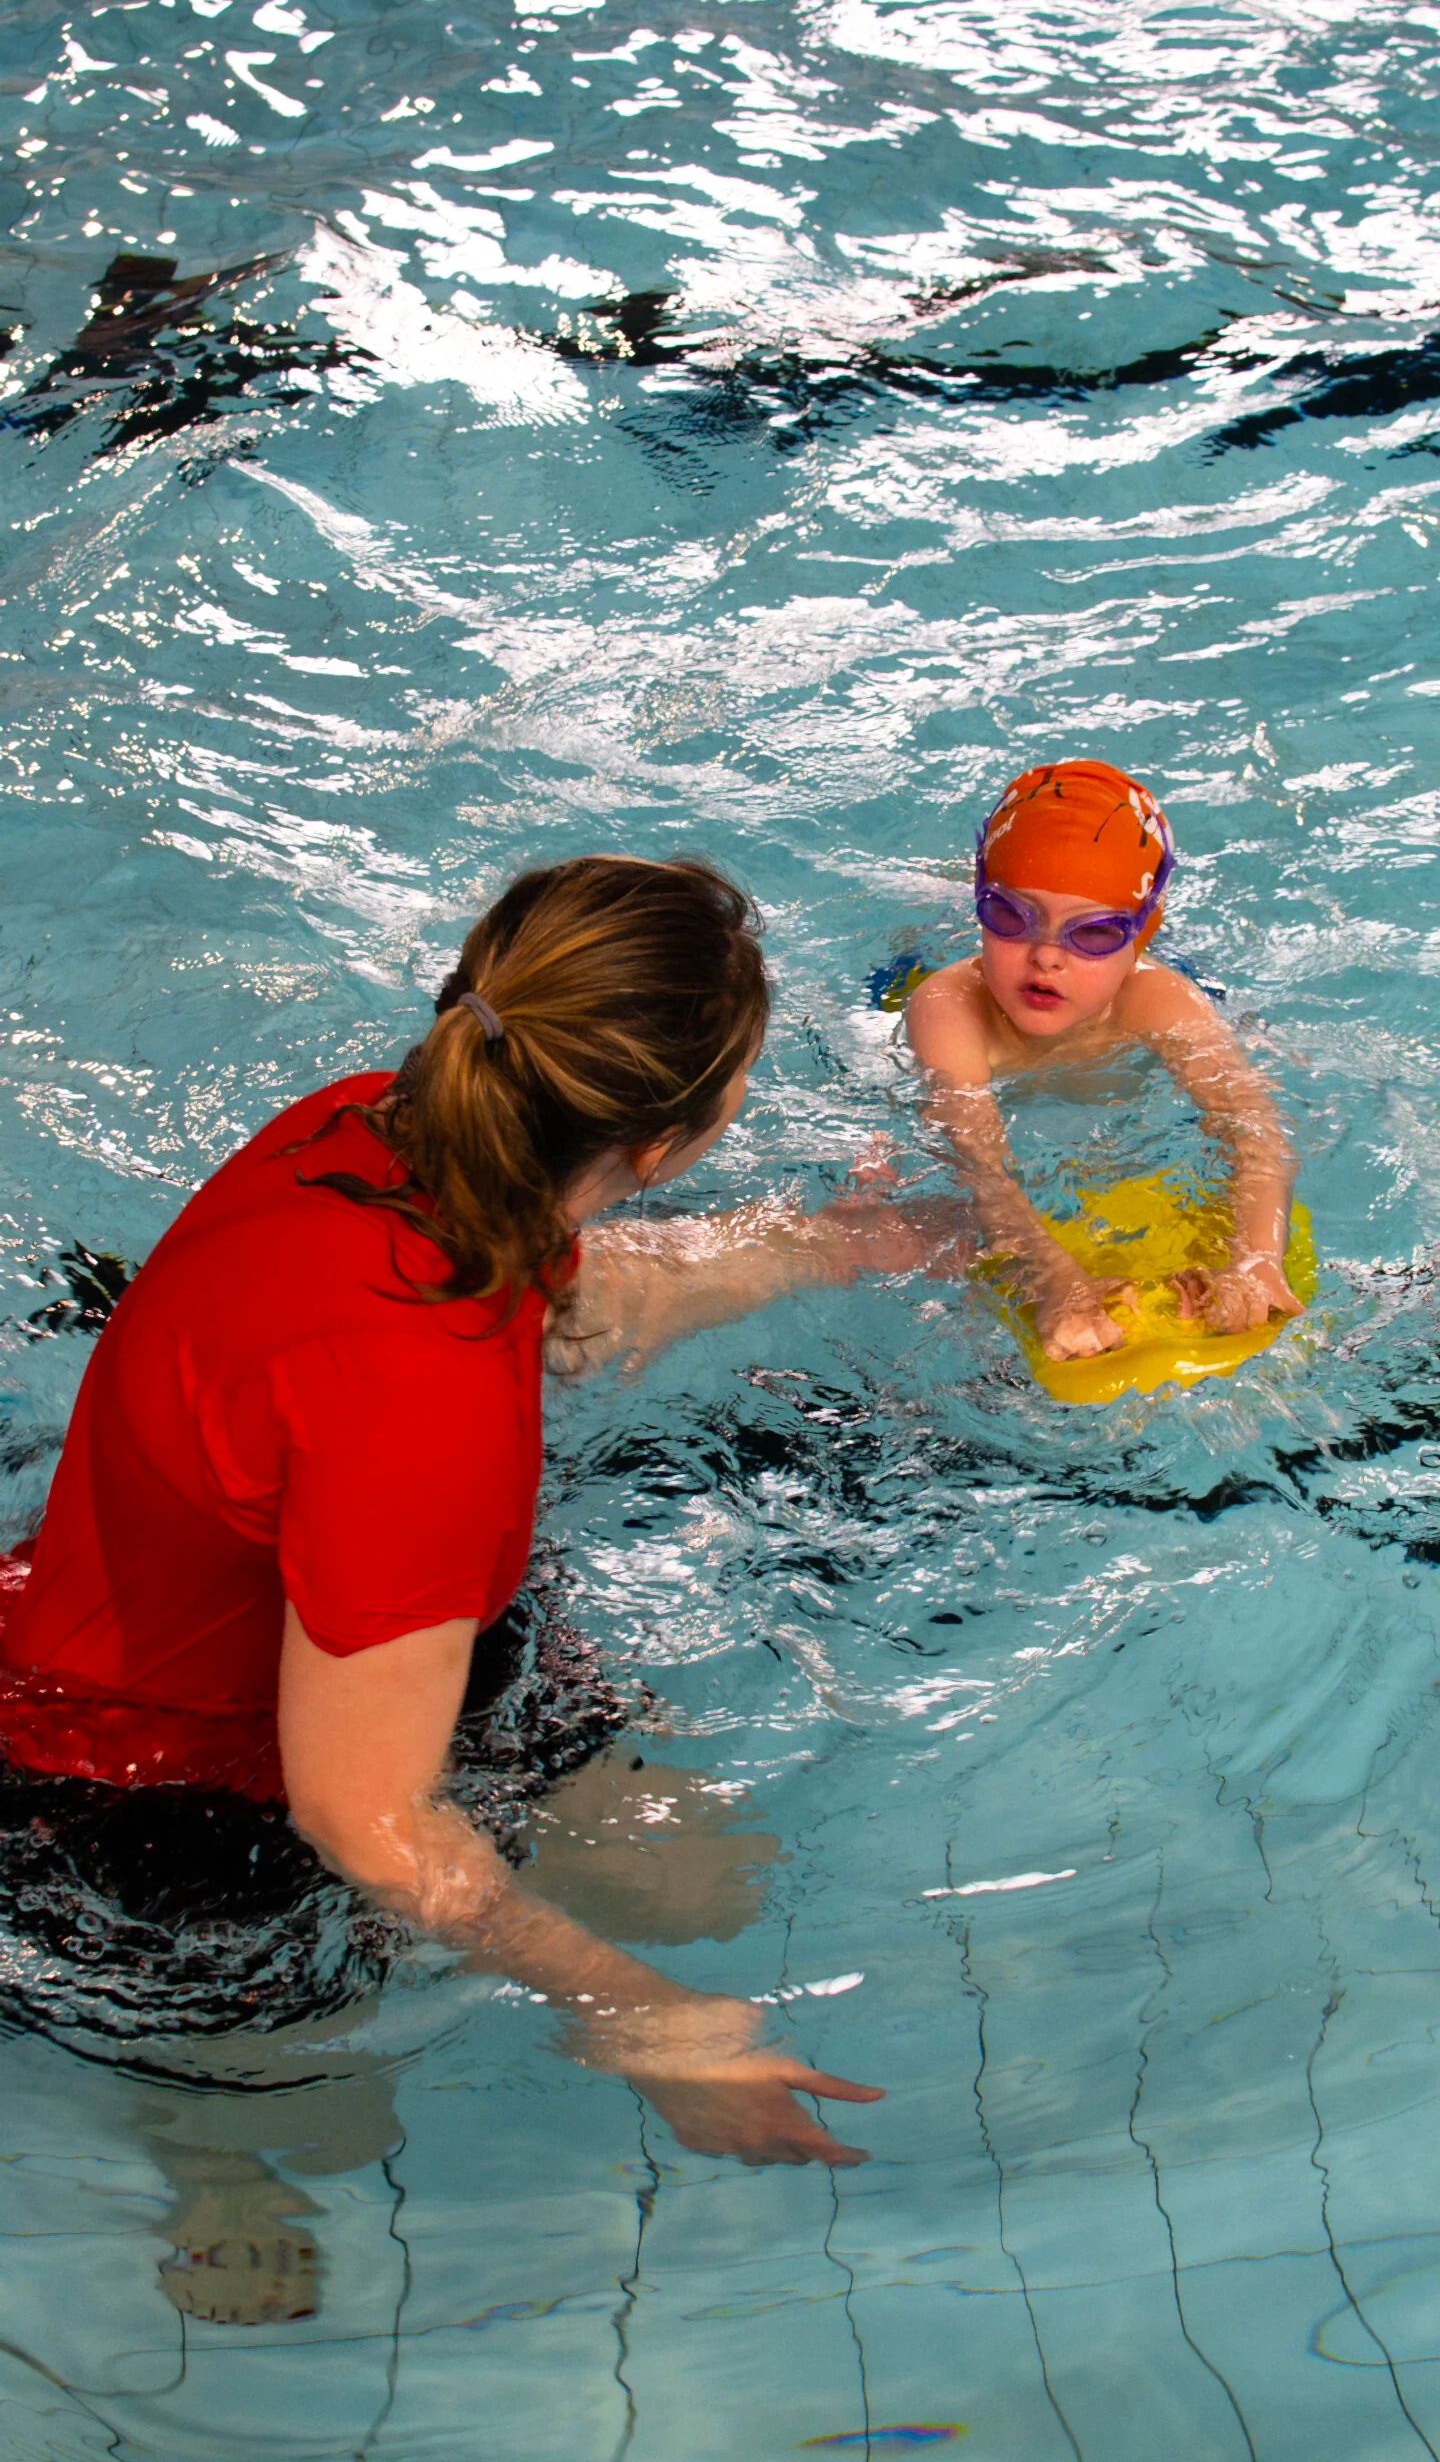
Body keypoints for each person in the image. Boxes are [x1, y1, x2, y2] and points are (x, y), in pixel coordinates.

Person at [0, 856, 922, 2229]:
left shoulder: (374, 1129)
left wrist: (842, 1244)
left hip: (286, 1621)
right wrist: (638, 2020)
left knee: (706, 1879)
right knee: (320, 2110)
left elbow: (575, 1285)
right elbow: (362, 1823)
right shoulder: (416, 1415)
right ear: (668, 1141)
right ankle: (200, 2153)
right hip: (127, 1789)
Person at [905, 760, 1302, 1362]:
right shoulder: (948, 1007)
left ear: (1140, 937)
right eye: (1011, 915)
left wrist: (1254, 1260)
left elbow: (1252, 1128)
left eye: (1092, 934)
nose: (1046, 957)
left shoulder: (1157, 999)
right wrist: (1049, 1277)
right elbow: (976, 1163)